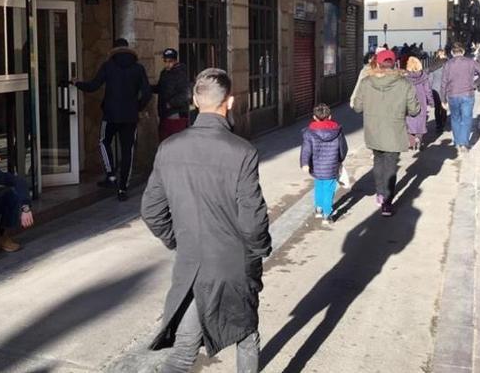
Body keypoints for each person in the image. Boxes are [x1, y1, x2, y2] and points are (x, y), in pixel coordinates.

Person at [141, 68, 271, 373]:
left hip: (192, 264)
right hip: (233, 264)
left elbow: (151, 210)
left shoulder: (169, 148)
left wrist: (179, 241)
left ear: (195, 102)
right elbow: (253, 219)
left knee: (184, 350)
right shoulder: (242, 151)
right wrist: (259, 249)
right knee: (246, 337)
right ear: (230, 101)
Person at [74, 37, 152, 201]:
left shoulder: (108, 66)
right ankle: (123, 189)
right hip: (130, 117)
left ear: (113, 50)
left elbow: (94, 86)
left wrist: (77, 84)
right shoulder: (138, 68)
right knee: (128, 151)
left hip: (110, 115)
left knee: (103, 141)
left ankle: (111, 175)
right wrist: (137, 107)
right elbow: (147, 93)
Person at [351, 49, 420, 216]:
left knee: (378, 161)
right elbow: (414, 110)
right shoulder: (404, 83)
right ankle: (387, 203)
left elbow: (358, 107)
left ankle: (380, 193)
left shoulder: (367, 82)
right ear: (394, 63)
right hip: (394, 130)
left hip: (373, 130)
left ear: (378, 63)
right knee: (390, 166)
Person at [300, 103, 348, 224]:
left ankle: (318, 209)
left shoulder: (309, 132)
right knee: (329, 189)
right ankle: (327, 214)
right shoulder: (337, 131)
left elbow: (306, 149)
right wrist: (340, 160)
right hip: (331, 165)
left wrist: (305, 163)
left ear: (314, 117)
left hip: (316, 166)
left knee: (318, 186)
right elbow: (343, 148)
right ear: (330, 116)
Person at [441, 44, 480, 154]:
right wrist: (475, 84)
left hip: (452, 94)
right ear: (463, 52)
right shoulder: (470, 62)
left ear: (452, 53)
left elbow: (443, 83)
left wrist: (443, 99)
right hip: (468, 94)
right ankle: (464, 143)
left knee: (455, 118)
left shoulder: (448, 64)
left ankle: (458, 142)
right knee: (467, 119)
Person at [152, 48, 191, 141]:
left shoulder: (180, 73)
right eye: (165, 61)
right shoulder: (164, 73)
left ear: (175, 61)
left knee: (175, 142)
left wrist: (170, 104)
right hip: (164, 114)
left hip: (175, 115)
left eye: (170, 61)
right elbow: (160, 88)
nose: (167, 64)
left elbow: (185, 94)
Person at [405, 56, 434, 150]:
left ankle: (412, 142)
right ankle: (419, 138)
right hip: (421, 101)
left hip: (409, 101)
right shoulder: (424, 76)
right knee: (421, 121)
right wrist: (430, 101)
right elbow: (428, 90)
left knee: (409, 121)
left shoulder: (405, 78)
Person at [427, 49, 449, 132]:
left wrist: (429, 90)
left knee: (437, 107)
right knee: (444, 105)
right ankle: (443, 121)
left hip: (435, 88)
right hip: (445, 88)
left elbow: (430, 79)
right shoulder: (447, 64)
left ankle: (438, 124)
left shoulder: (433, 65)